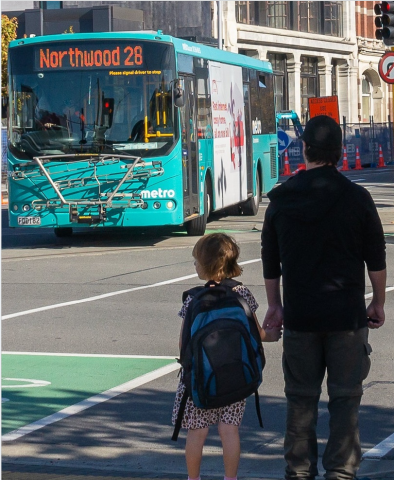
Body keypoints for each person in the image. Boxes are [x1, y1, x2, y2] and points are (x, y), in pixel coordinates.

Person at [261, 115, 387, 480]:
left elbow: (271, 261)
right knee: (346, 399)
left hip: (301, 317)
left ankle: (299, 471)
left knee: (300, 400)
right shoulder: (357, 198)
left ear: (305, 149)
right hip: (346, 317)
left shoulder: (282, 200)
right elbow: (376, 258)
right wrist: (377, 301)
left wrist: (275, 305)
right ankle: (341, 472)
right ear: (338, 151)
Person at [172, 232, 282, 480]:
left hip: (200, 379)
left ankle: (193, 478)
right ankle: (230, 478)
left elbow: (183, 343)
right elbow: (257, 334)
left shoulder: (193, 299)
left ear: (206, 266)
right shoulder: (242, 293)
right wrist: (273, 335)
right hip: (235, 375)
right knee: (229, 430)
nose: (195, 265)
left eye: (197, 261)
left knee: (197, 432)